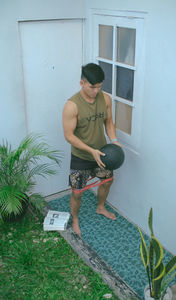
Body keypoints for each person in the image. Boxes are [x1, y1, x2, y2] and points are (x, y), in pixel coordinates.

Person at [62, 63, 120, 236]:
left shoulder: (106, 99)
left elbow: (108, 122)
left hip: (102, 153)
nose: (96, 91)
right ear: (82, 83)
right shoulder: (72, 105)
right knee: (77, 192)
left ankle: (100, 207)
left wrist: (114, 140)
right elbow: (69, 136)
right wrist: (90, 150)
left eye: (100, 87)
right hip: (81, 155)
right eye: (92, 87)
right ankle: (75, 219)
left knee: (107, 181)